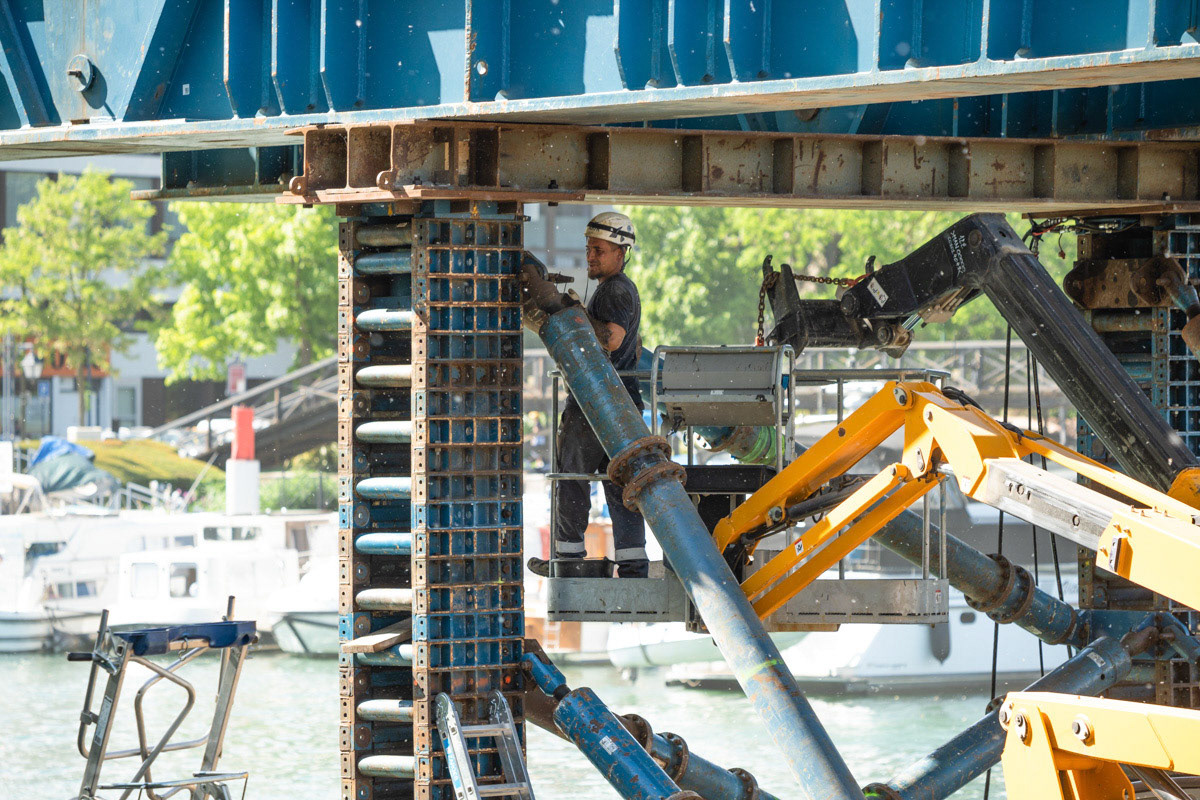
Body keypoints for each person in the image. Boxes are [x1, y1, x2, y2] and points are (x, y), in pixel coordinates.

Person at [527, 212, 648, 578]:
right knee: (620, 485)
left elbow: (611, 339)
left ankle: (568, 560)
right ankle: (632, 564)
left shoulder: (616, 290)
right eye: (588, 248)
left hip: (595, 401)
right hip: (621, 402)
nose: (590, 256)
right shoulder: (615, 289)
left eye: (599, 250)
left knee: (571, 479)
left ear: (621, 253)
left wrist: (572, 315)